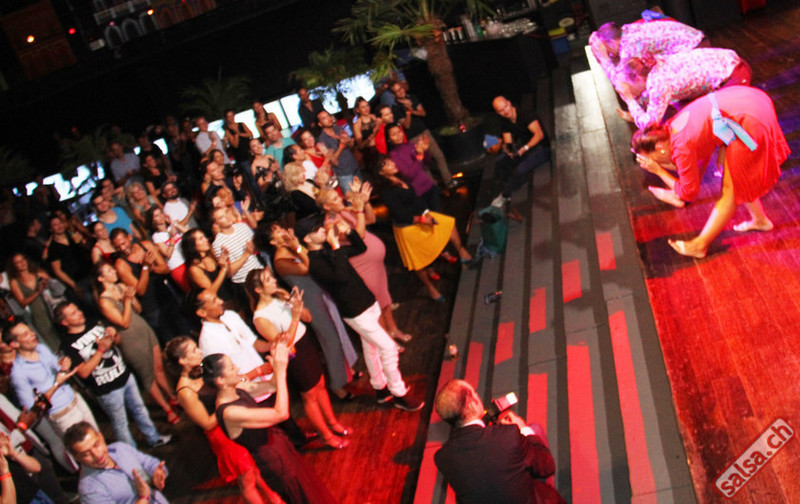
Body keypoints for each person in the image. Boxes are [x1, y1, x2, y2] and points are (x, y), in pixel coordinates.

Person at [632, 86, 790, 258]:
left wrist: (660, 171)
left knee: (730, 190)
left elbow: (689, 192)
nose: (655, 163)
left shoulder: (681, 147)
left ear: (659, 148)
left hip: (750, 118)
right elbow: (694, 163)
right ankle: (760, 220)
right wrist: (671, 182)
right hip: (750, 99)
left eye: (653, 158)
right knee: (731, 170)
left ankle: (699, 246)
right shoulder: (670, 128)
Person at [297, 216, 424, 411]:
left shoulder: (328, 250)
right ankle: (399, 393)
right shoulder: (315, 263)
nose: (322, 230)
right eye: (316, 229)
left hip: (367, 300)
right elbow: (341, 277)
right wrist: (336, 246)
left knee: (371, 348)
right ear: (307, 238)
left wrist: (349, 232)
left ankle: (380, 388)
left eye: (320, 226)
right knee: (388, 348)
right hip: (355, 311)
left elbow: (360, 248)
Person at [203, 346, 338, 504]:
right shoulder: (229, 412)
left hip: (280, 446)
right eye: (232, 367)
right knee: (302, 497)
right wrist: (280, 371)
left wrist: (278, 366)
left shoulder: (238, 389)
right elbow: (281, 414)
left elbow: (273, 386)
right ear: (220, 381)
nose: (237, 368)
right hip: (273, 459)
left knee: (309, 490)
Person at [163, 337, 278, 504]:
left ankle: (273, 497)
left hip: (231, 423)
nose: (199, 352)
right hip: (222, 435)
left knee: (252, 469)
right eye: (193, 350)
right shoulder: (185, 391)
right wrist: (223, 404)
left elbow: (229, 384)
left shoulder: (202, 370)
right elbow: (207, 423)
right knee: (247, 479)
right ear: (183, 361)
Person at [246, 268, 352, 449]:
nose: (274, 281)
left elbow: (308, 318)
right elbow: (284, 344)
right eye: (268, 280)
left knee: (320, 384)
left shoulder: (280, 297)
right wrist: (294, 318)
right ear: (258, 289)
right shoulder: (260, 317)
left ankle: (333, 423)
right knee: (310, 395)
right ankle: (326, 436)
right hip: (294, 355)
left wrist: (297, 305)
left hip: (306, 342)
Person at [55, 302, 172, 448]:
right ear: (65, 322)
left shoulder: (94, 324)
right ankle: (131, 454)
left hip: (124, 376)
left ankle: (154, 438)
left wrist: (113, 335)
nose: (79, 313)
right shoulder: (68, 346)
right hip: (107, 390)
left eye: (77, 309)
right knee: (121, 424)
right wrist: (100, 350)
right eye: (73, 313)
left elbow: (118, 341)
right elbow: (83, 373)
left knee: (140, 410)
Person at [265, 224, 358, 400]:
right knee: (330, 340)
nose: (283, 231)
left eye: (281, 228)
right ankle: (337, 385)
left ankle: (347, 372)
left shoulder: (292, 247)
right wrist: (298, 248)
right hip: (311, 301)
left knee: (338, 332)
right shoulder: (280, 261)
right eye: (277, 231)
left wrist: (297, 247)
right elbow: (309, 268)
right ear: (272, 242)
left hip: (320, 293)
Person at [433, 379, 564, 504]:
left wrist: (497, 430)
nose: (478, 395)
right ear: (472, 405)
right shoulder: (508, 436)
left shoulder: (442, 458)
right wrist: (523, 429)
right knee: (535, 429)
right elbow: (548, 466)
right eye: (475, 393)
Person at [318, 184, 410, 344]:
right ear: (326, 206)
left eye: (337, 196)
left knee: (384, 298)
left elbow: (370, 219)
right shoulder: (330, 225)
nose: (339, 199)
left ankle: (393, 329)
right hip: (363, 266)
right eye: (334, 199)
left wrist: (365, 203)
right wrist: (359, 210)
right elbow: (358, 235)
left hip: (375, 266)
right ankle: (388, 340)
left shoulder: (343, 211)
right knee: (377, 304)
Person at [93, 262, 180, 424]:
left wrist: (132, 299)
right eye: (109, 270)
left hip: (143, 328)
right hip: (130, 339)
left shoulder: (121, 286)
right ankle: (167, 409)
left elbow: (138, 310)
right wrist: (126, 301)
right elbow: (124, 323)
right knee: (147, 376)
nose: (114, 271)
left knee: (158, 367)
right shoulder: (104, 301)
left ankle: (173, 397)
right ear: (101, 278)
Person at [375, 156, 471, 301]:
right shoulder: (386, 192)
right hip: (407, 227)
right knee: (419, 262)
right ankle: (431, 289)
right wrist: (421, 219)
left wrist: (426, 212)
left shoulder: (401, 178)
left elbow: (416, 198)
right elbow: (400, 214)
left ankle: (461, 252)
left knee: (448, 223)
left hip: (421, 217)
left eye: (390, 161)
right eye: (386, 164)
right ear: (381, 172)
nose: (392, 164)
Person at [616, 48, 752, 130]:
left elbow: (650, 125)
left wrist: (629, 99)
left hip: (734, 74)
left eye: (626, 85)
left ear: (637, 78)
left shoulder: (657, 83)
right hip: (731, 63)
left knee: (726, 128)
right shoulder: (652, 65)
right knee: (685, 113)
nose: (624, 90)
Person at [5, 321, 97, 437]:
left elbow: (57, 366)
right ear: (14, 344)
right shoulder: (18, 373)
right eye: (25, 334)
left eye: (30, 331)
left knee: (98, 436)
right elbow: (31, 409)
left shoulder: (41, 348)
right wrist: (56, 384)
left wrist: (64, 364)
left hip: (76, 399)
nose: (33, 334)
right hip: (63, 415)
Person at [65, 422, 169, 504]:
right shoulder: (90, 490)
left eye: (96, 445)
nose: (96, 455)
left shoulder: (120, 448)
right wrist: (143, 498)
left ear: (101, 437)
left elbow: (149, 462)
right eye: (86, 454)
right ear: (77, 458)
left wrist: (157, 473)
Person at [590, 19, 707, 90]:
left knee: (654, 85)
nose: (609, 54)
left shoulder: (629, 46)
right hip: (697, 37)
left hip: (696, 48)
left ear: (612, 43)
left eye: (607, 49)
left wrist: (603, 58)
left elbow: (619, 82)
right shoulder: (627, 29)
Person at [390, 81, 453, 186]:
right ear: (394, 94)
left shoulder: (412, 97)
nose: (400, 91)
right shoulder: (395, 108)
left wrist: (411, 109)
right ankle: (433, 186)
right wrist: (408, 112)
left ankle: (448, 180)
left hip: (423, 131)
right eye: (397, 91)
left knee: (438, 155)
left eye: (401, 88)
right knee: (424, 163)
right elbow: (406, 125)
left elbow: (423, 113)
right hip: (412, 137)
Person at [491, 96, 551, 206]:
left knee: (519, 170)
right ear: (498, 113)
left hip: (541, 148)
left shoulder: (525, 114)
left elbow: (539, 135)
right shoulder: (505, 121)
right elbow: (508, 142)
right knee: (500, 162)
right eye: (501, 111)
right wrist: (509, 151)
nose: (505, 111)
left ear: (509, 103)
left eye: (505, 107)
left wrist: (525, 148)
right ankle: (512, 183)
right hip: (524, 147)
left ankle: (506, 194)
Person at [6, 254, 61, 352]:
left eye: (23, 260)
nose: (22, 263)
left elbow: (55, 286)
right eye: (18, 262)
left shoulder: (38, 272)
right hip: (37, 312)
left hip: (51, 305)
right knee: (49, 335)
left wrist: (47, 282)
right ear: (14, 266)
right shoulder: (14, 282)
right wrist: (37, 292)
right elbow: (22, 303)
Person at [386, 123, 441, 212]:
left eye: (399, 132)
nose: (398, 136)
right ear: (389, 139)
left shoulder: (410, 145)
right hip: (417, 193)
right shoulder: (394, 155)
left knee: (439, 216)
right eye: (394, 134)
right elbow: (409, 175)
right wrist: (419, 156)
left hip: (429, 186)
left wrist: (425, 150)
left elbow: (427, 162)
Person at [181, 228, 236, 305]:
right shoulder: (194, 269)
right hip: (221, 304)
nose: (206, 239)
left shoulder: (211, 253)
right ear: (192, 245)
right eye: (201, 239)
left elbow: (228, 274)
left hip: (234, 295)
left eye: (204, 237)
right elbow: (210, 292)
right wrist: (223, 270)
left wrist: (226, 261)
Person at [317, 110, 361, 193]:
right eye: (324, 118)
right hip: (344, 174)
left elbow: (351, 146)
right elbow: (333, 161)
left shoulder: (339, 129)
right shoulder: (322, 140)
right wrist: (341, 145)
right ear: (320, 124)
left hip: (354, 167)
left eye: (329, 116)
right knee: (352, 198)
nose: (329, 119)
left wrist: (348, 141)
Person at [147, 207, 190, 292]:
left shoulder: (172, 227)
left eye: (161, 213)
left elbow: (189, 233)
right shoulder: (156, 236)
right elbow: (168, 254)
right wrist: (172, 238)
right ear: (153, 221)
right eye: (157, 216)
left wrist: (173, 223)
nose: (161, 216)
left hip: (188, 259)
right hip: (178, 266)